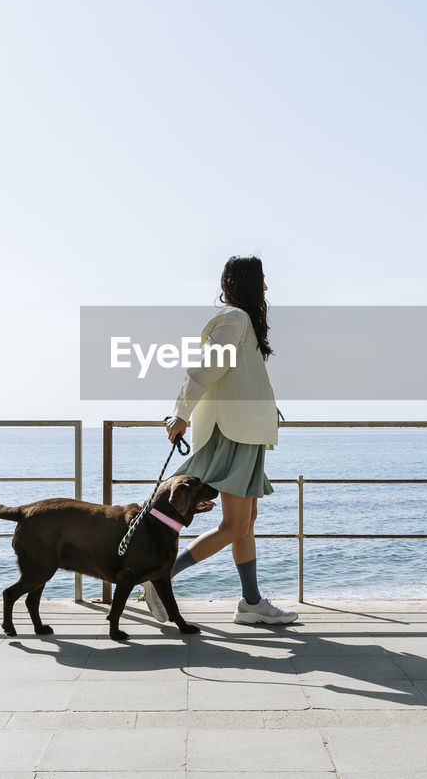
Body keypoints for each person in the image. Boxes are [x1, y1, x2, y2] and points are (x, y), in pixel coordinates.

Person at [141, 255, 298, 625]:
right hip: (233, 434)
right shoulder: (236, 319)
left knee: (246, 522)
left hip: (245, 435)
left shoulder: (244, 324)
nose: (266, 287)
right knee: (234, 526)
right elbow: (205, 368)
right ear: (248, 283)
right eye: (262, 280)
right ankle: (159, 576)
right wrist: (181, 413)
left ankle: (251, 603)